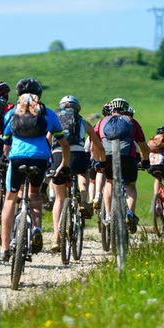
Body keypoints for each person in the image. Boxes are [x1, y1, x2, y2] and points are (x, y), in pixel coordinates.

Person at [0, 78, 70, 260]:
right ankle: (37, 228)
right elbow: (63, 143)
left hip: (17, 158)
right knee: (35, 193)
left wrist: (7, 157)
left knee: (10, 199)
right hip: (40, 158)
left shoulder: (12, 112)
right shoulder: (47, 113)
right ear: (39, 95)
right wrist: (64, 163)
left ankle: (4, 249)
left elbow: (5, 144)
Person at [49, 95, 105, 252]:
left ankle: (55, 237)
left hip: (58, 155)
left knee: (59, 198)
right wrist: (103, 159)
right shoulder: (82, 121)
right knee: (83, 172)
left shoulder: (55, 120)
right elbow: (96, 142)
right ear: (77, 108)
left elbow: (47, 139)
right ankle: (82, 200)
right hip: (78, 155)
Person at [94, 97, 150, 233]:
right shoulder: (132, 121)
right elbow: (143, 146)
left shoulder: (101, 121)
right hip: (127, 156)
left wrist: (98, 160)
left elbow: (94, 144)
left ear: (111, 109)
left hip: (107, 155)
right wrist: (145, 161)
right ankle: (130, 213)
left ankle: (107, 215)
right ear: (126, 109)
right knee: (130, 184)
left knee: (109, 182)